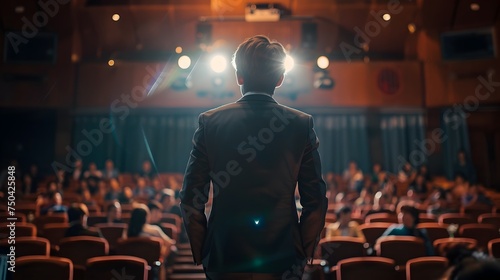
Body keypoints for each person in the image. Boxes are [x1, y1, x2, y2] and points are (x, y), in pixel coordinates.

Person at [180, 35, 328, 279]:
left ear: (239, 76)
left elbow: (190, 197)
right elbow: (316, 199)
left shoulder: (210, 122)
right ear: (280, 79)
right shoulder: (301, 124)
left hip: (224, 253)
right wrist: (303, 250)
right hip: (284, 256)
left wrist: (203, 250)